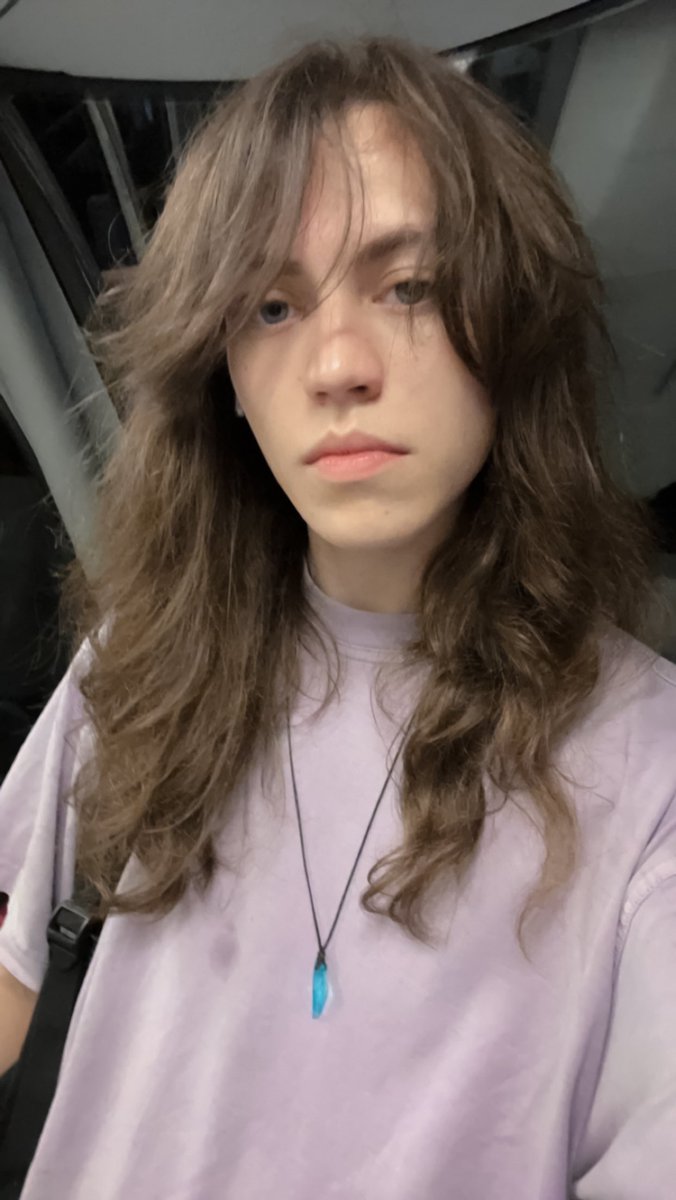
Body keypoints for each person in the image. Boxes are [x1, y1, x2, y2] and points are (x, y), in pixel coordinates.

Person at [0, 35, 675, 1200]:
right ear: (222, 375)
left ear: (510, 322)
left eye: (407, 285)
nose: (336, 365)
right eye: (270, 306)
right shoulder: (136, 668)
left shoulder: (650, 765)